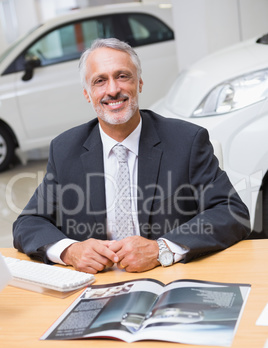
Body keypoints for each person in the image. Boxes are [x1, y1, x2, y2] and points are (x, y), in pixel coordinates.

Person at [13, 38, 250, 274]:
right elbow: (28, 223)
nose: (113, 89)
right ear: (87, 93)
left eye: (122, 76)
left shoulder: (186, 141)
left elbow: (231, 212)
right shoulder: (65, 149)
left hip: (170, 278)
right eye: (100, 81)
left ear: (140, 83)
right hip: (98, 285)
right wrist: (70, 251)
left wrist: (161, 249)